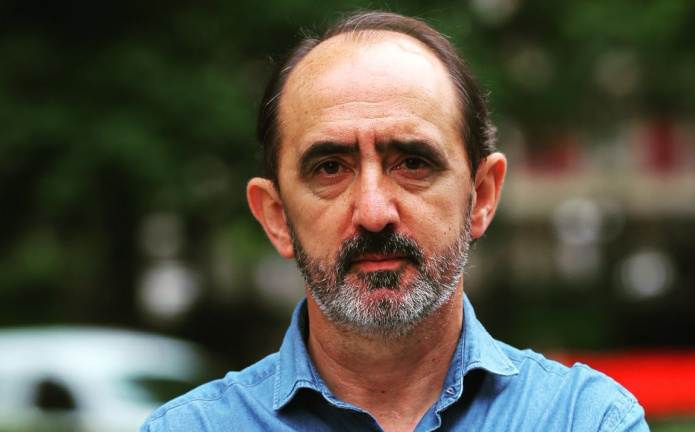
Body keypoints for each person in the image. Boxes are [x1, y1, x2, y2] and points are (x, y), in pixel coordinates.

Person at [141, 11, 649, 432]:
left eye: (412, 163)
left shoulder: (585, 420)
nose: (373, 213)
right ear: (276, 217)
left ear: (481, 197)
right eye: (330, 168)